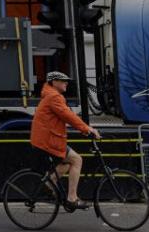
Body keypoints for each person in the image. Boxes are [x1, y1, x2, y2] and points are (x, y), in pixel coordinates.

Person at [29, 70, 100, 212]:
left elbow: (66, 117)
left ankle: (49, 183)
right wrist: (87, 129)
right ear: (54, 82)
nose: (66, 83)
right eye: (63, 80)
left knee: (67, 164)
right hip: (48, 140)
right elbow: (68, 116)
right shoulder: (54, 97)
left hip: (46, 138)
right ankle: (72, 198)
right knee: (77, 160)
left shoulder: (51, 95)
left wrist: (84, 128)